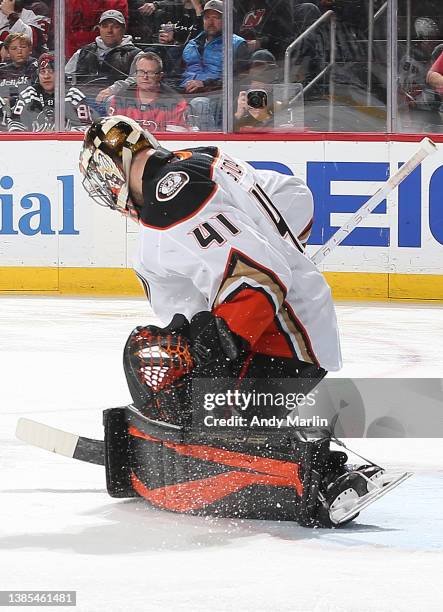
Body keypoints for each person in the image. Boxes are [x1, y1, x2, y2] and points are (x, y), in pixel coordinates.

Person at [78, 115, 407, 529]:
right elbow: (295, 198)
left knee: (158, 363)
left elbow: (258, 278)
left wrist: (217, 346)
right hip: (296, 331)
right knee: (180, 362)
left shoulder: (170, 198)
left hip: (278, 341)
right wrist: (278, 242)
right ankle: (257, 436)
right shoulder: (205, 159)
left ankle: (313, 473)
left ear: (114, 170)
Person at [8, 52, 101, 131]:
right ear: (38, 75)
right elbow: (14, 126)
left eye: (51, 71)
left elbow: (86, 127)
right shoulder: (28, 95)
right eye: (42, 71)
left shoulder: (73, 96)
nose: (46, 76)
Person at [107, 51, 189, 131]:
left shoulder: (175, 102)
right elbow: (113, 131)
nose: (145, 77)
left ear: (160, 76)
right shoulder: (121, 98)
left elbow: (175, 138)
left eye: (150, 73)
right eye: (141, 72)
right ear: (135, 74)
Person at [65, 10, 141, 90]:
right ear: (99, 28)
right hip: (82, 99)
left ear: (123, 29)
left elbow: (139, 82)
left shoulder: (137, 56)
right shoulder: (83, 52)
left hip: (117, 100)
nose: (109, 31)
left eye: (115, 26)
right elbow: (65, 78)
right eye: (105, 26)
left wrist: (114, 89)